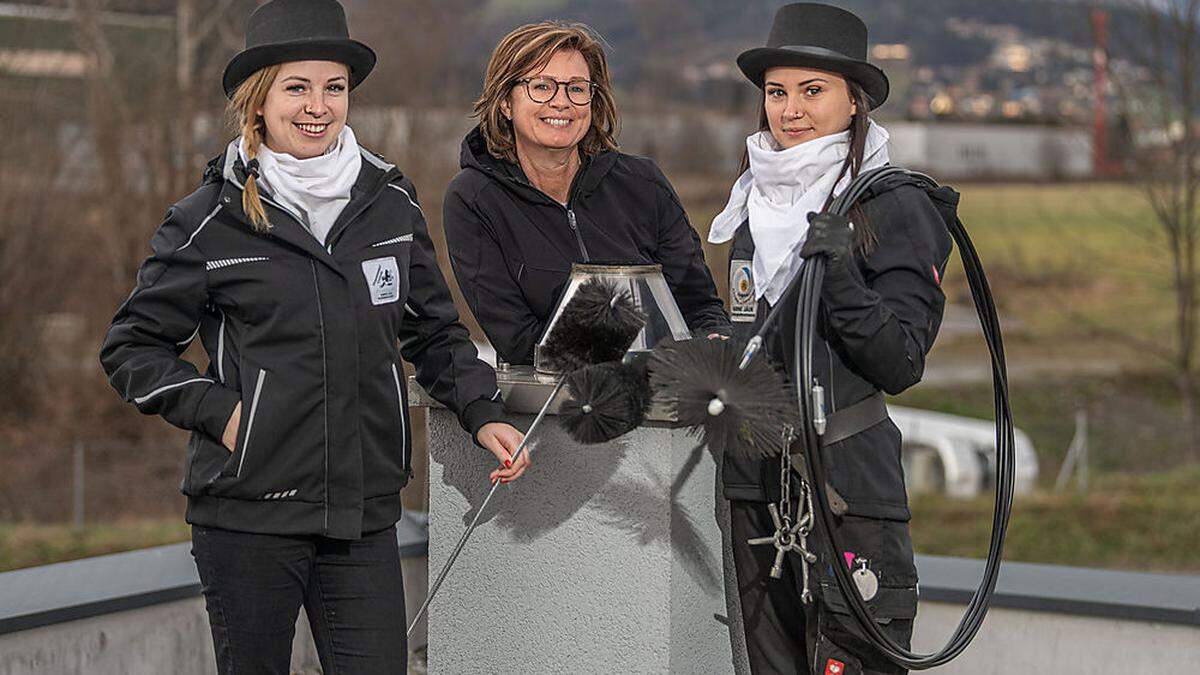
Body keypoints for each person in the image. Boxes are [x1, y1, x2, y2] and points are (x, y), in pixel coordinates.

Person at [98, 1, 526, 672]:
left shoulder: (390, 200)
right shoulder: (209, 218)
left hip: (361, 511)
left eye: (334, 87)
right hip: (248, 515)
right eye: (297, 87)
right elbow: (130, 347)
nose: (318, 106)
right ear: (259, 100)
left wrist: (483, 412)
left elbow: (435, 332)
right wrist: (227, 414)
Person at [708, 4, 953, 674]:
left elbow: (900, 359)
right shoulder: (751, 205)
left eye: (812, 91)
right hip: (755, 490)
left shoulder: (894, 205)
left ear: (855, 102)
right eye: (777, 92)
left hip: (849, 493)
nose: (791, 110)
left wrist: (840, 271)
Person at [442, 21, 730, 367]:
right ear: (505, 102)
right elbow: (518, 341)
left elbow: (699, 307)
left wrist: (715, 343)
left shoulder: (644, 183)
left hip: (665, 399)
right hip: (551, 406)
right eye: (542, 86)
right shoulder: (474, 199)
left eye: (577, 89)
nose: (561, 102)